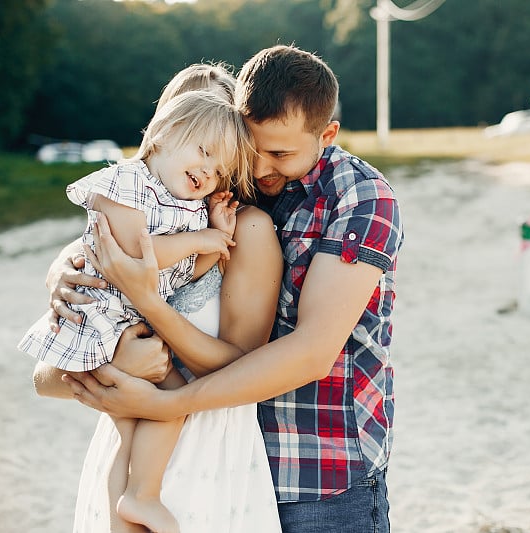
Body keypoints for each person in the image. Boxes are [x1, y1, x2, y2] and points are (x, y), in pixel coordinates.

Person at [57, 45, 404, 532]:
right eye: (249, 148)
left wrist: (162, 391)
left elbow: (310, 353)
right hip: (221, 457)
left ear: (325, 135)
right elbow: (54, 364)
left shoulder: (357, 199)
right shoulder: (193, 205)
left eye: (279, 154)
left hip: (322, 468)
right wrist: (62, 273)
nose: (260, 168)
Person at [34, 64, 283, 533]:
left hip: (209, 454)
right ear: (165, 131)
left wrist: (152, 303)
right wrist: (118, 364)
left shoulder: (243, 230)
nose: (203, 164)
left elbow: (246, 369)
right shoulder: (123, 220)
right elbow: (44, 377)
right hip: (123, 446)